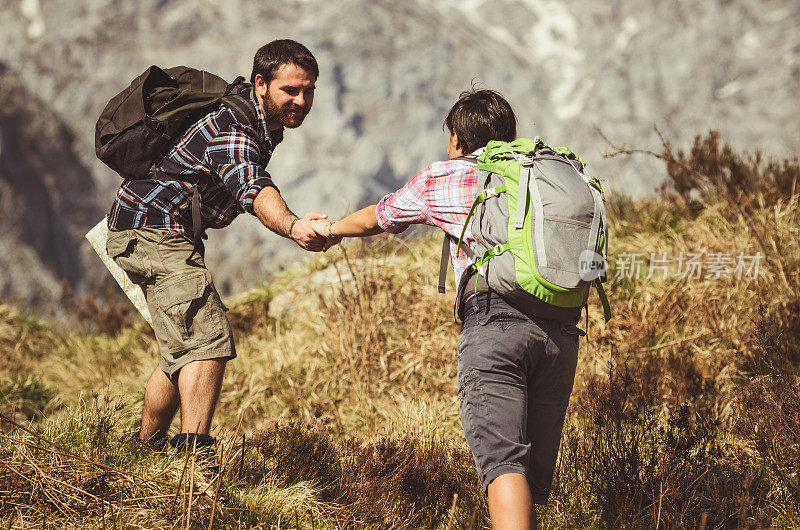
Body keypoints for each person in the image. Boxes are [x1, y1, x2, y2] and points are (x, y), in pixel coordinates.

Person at [311, 89, 582, 529]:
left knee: (503, 463)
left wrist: (331, 231)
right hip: (561, 334)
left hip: (496, 325)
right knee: (529, 472)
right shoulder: (541, 175)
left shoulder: (446, 176)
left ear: (456, 139)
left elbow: (378, 217)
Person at [106, 39, 328, 456]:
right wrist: (295, 224)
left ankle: (141, 451)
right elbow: (251, 185)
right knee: (206, 337)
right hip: (152, 229)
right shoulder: (233, 125)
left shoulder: (261, 120)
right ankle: (193, 460)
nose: (301, 100)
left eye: (309, 91)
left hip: (156, 229)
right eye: (291, 90)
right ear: (261, 83)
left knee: (181, 350)